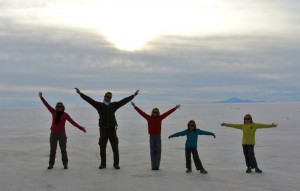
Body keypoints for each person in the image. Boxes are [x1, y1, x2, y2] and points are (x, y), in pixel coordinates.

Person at [75, 88, 139, 169]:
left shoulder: (113, 105)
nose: (108, 98)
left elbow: (123, 101)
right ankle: (103, 164)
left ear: (110, 98)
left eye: (109, 97)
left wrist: (133, 96)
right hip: (103, 130)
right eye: (107, 96)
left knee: (115, 147)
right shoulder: (99, 105)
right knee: (102, 147)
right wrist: (80, 94)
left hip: (112, 129)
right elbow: (90, 100)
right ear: (104, 96)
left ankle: (116, 164)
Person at [39, 92, 86, 170]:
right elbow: (46, 105)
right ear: (56, 107)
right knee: (52, 150)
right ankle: (51, 164)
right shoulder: (53, 112)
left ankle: (65, 164)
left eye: (60, 106)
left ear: (63, 107)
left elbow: (73, 122)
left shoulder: (65, 115)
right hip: (53, 133)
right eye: (58, 106)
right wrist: (41, 97)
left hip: (62, 134)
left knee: (63, 150)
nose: (59, 107)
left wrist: (81, 128)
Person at [131, 102, 180, 170]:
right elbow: (141, 113)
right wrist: (135, 107)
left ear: (158, 113)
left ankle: (156, 166)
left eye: (156, 112)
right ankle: (153, 166)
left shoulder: (160, 118)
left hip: (158, 137)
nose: (155, 113)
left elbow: (167, 113)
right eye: (154, 112)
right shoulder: (149, 118)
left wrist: (175, 108)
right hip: (151, 137)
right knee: (152, 151)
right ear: (152, 112)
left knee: (158, 151)